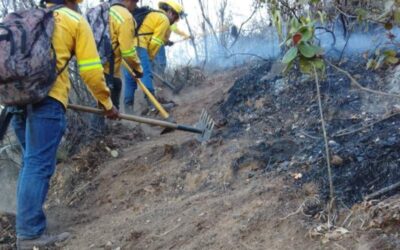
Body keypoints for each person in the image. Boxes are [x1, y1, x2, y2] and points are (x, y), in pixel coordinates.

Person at [13, 0, 119, 249]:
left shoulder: (29, 18)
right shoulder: (73, 20)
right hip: (47, 101)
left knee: (31, 164)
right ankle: (29, 235)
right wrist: (107, 103)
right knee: (38, 165)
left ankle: (27, 227)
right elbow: (92, 71)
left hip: (15, 102)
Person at [123, 0, 185, 113]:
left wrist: (166, 42)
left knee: (130, 79)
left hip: (127, 48)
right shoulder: (164, 19)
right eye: (176, 18)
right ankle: (153, 105)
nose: (175, 21)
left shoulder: (154, 15)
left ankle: (128, 110)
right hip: (139, 48)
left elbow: (150, 34)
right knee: (146, 74)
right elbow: (155, 42)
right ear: (171, 12)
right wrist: (149, 59)